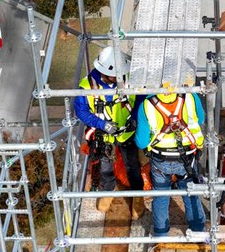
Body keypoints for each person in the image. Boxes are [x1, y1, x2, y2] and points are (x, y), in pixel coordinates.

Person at [136, 81, 206, 238]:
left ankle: (161, 235)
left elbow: (141, 142)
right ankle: (198, 232)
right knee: (191, 194)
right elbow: (200, 119)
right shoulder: (190, 95)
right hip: (187, 159)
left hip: (161, 160)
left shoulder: (146, 104)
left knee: (161, 197)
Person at [73, 47, 139, 213]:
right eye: (117, 75)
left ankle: (137, 195)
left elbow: (140, 98)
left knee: (132, 165)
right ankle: (108, 192)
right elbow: (81, 111)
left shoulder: (128, 79)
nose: (121, 78)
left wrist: (136, 118)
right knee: (105, 167)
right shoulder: (87, 86)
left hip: (126, 132)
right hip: (104, 137)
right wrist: (103, 125)